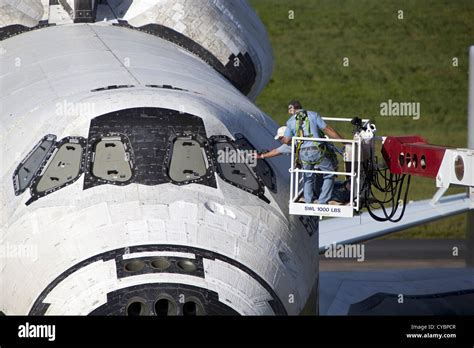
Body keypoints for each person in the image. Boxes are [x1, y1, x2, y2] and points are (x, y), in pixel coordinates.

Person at [281, 100, 344, 204]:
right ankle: (323, 200)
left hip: (303, 153)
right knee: (329, 173)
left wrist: (282, 139)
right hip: (317, 150)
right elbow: (327, 129)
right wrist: (343, 141)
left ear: (292, 109)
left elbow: (287, 140)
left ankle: (308, 201)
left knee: (308, 177)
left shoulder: (290, 121)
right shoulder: (313, 115)